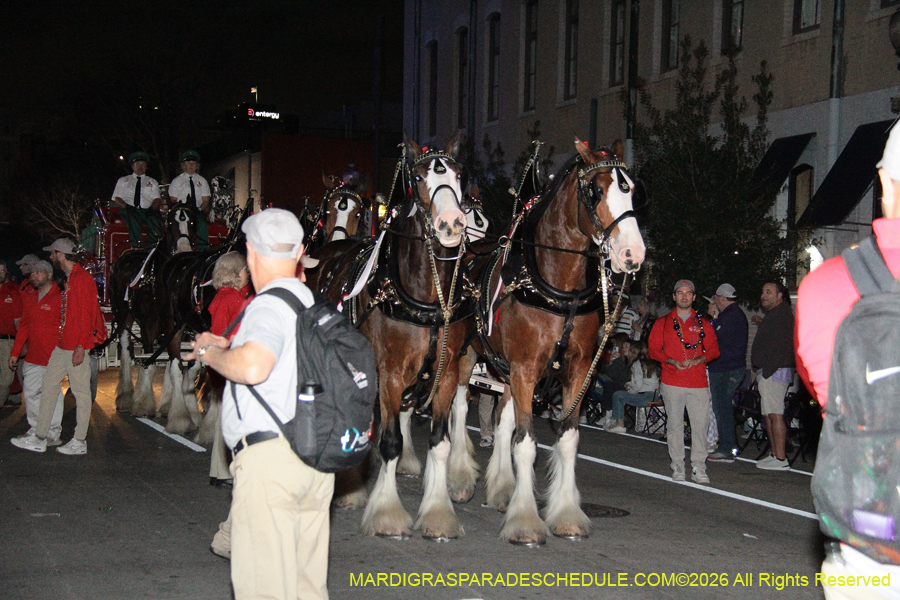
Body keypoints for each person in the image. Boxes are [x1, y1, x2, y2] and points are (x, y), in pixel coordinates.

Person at [187, 209, 334, 600]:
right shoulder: (310, 299)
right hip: (313, 456)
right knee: (306, 586)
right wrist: (230, 344)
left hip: (272, 462)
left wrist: (210, 355)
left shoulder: (266, 304)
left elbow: (255, 367)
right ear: (301, 252)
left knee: (264, 588)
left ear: (251, 253)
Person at [11, 239, 105, 455]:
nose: (51, 257)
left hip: (75, 346)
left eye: (52, 253)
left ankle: (79, 441)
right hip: (63, 345)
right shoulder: (71, 278)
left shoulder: (82, 278)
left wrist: (81, 346)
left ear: (60, 254)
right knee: (49, 385)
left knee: (81, 393)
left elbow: (88, 314)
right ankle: (40, 436)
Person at [648, 279, 720, 483]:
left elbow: (714, 350)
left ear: (694, 297)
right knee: (674, 426)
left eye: (688, 293)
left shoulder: (703, 323)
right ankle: (678, 464)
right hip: (672, 381)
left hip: (698, 383)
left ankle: (698, 466)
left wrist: (698, 359)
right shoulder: (662, 323)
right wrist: (669, 360)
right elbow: (653, 349)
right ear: (674, 296)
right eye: (680, 292)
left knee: (700, 426)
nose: (684, 296)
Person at [8, 260, 65, 446]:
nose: (34, 276)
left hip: (53, 357)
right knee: (31, 394)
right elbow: (23, 326)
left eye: (39, 272)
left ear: (49, 275)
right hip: (33, 356)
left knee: (53, 395)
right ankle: (36, 429)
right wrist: (15, 353)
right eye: (32, 273)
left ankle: (53, 433)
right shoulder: (30, 298)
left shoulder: (61, 298)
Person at [750, 280, 795, 471]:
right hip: (769, 370)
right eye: (763, 291)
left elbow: (783, 346)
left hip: (774, 372)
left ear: (779, 296)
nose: (764, 295)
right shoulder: (775, 315)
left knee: (775, 413)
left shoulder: (782, 315)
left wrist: (769, 368)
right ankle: (775, 454)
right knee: (768, 413)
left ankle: (781, 458)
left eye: (769, 292)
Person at [706, 283, 749, 462]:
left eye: (716, 298)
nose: (714, 301)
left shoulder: (730, 317)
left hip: (726, 369)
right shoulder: (733, 316)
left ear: (722, 299)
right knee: (722, 408)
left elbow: (713, 338)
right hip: (726, 368)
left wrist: (713, 319)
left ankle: (727, 448)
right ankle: (727, 446)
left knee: (722, 408)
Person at [604, 341, 660, 433]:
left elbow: (638, 386)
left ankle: (619, 424)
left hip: (646, 396)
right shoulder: (647, 363)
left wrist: (630, 391)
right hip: (654, 395)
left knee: (618, 395)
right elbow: (644, 380)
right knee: (620, 393)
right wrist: (630, 383)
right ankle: (617, 421)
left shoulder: (637, 364)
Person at [112, 151, 163, 248]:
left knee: (155, 222)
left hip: (147, 210)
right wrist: (127, 207)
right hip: (129, 210)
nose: (140, 166)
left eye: (143, 164)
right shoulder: (123, 180)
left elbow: (157, 199)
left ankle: (152, 248)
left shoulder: (152, 182)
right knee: (133, 219)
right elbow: (117, 199)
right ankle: (137, 247)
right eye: (137, 164)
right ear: (132, 167)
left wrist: (152, 209)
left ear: (146, 167)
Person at [168, 150, 211, 249]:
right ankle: (176, 247)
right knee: (176, 225)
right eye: (188, 163)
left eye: (193, 163)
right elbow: (173, 199)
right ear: (183, 166)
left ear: (197, 166)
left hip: (197, 210)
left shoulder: (202, 181)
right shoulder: (177, 181)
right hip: (181, 209)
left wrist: (199, 209)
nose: (191, 165)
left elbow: (206, 200)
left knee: (202, 224)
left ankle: (202, 250)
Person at [0, 260, 23, 407]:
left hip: (6, 341)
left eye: (2, 270)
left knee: (6, 380)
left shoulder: (12, 292)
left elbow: (18, 322)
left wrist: (21, 344)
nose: (0, 274)